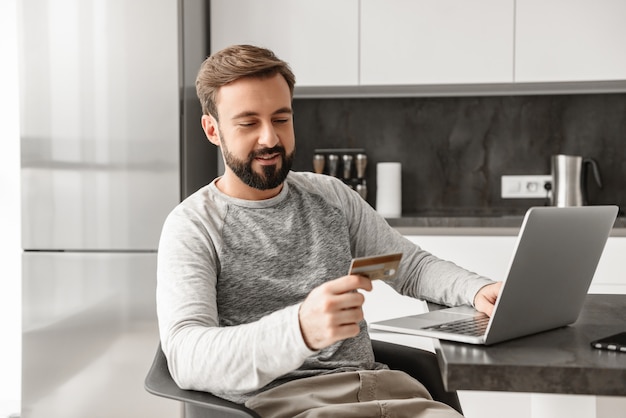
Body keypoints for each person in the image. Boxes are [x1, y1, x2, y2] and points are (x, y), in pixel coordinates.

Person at [156, 44, 502, 417]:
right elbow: (187, 355)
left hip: (389, 394)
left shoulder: (330, 198)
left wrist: (478, 289)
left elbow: (407, 269)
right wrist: (299, 330)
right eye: (248, 123)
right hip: (292, 406)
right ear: (213, 129)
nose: (270, 139)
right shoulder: (194, 226)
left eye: (281, 118)